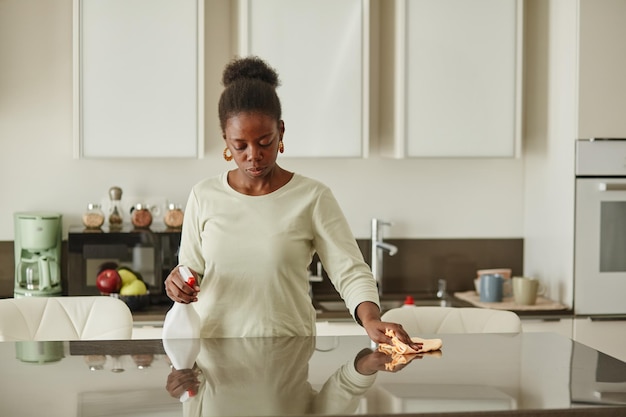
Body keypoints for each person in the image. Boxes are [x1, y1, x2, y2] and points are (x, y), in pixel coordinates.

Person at [164, 56, 418, 349]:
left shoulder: (312, 197)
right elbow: (191, 269)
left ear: (280, 132)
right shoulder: (203, 195)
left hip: (288, 356)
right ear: (225, 139)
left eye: (264, 142)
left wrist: (371, 319)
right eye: (240, 145)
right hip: (214, 358)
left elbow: (349, 270)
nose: (253, 155)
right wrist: (179, 281)